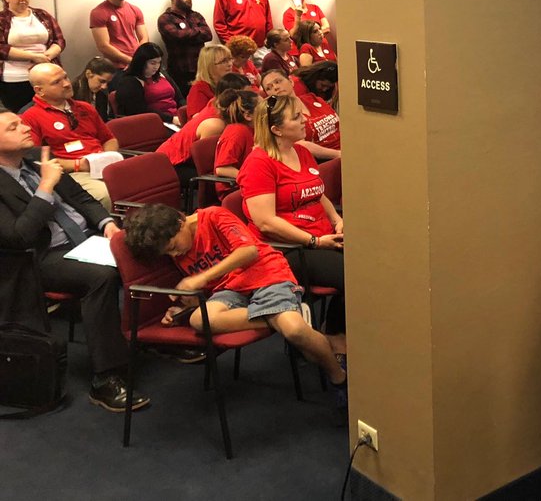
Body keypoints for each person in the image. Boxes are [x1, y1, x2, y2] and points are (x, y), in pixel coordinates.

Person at [122, 203, 346, 406]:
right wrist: (184, 307)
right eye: (168, 253)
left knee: (295, 331)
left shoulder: (213, 216)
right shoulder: (177, 246)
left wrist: (202, 277)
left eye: (173, 246)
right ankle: (287, 315)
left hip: (265, 273)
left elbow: (249, 251)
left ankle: (340, 379)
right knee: (199, 319)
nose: (175, 253)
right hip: (228, 290)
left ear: (180, 223)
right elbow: (206, 288)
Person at [0, 119, 148, 413]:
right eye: (12, 128)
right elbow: (19, 236)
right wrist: (46, 186)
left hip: (86, 238)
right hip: (39, 257)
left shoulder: (38, 157)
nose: (25, 128)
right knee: (101, 277)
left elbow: (81, 197)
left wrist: (106, 223)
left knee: (149, 243)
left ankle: (158, 330)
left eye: (21, 123)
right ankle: (105, 377)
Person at [238, 93, 345, 355]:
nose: (304, 120)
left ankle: (341, 330)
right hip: (285, 249)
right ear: (276, 129)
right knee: (357, 273)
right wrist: (315, 241)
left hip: (321, 237)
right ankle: (334, 335)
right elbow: (266, 223)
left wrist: (337, 220)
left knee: (378, 257)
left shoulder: (302, 151)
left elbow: (317, 193)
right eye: (296, 117)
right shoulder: (259, 163)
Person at [22, 63, 119, 208]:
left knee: (145, 180)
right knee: (104, 193)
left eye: (65, 77)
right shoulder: (30, 117)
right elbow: (36, 161)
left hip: (102, 166)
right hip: (71, 174)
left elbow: (109, 139)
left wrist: (106, 158)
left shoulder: (84, 107)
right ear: (39, 90)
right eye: (57, 82)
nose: (67, 84)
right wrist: (79, 165)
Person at [0, 0, 66, 112]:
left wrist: (47, 56)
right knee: (23, 115)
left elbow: (59, 40)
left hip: (46, 75)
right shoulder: (2, 19)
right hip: (16, 79)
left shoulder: (42, 15)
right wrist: (33, 57)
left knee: (51, 113)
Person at [261, 68, 341, 161]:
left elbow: (339, 123)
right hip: (327, 159)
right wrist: (339, 154)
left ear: (291, 81)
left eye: (278, 81)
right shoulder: (279, 117)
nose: (275, 87)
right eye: (269, 88)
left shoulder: (312, 98)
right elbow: (300, 144)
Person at [156, 0, 212, 89]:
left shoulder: (196, 15)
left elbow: (208, 35)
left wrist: (188, 33)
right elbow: (177, 36)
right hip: (180, 71)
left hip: (200, 69)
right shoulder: (166, 18)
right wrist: (198, 31)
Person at [110, 42, 185, 123]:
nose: (156, 66)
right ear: (141, 62)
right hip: (155, 121)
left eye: (159, 62)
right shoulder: (129, 82)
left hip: (176, 117)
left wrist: (186, 112)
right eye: (153, 63)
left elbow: (179, 98)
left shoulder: (162, 74)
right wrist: (171, 119)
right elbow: (140, 111)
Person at [89, 0, 147, 66]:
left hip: (136, 62)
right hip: (115, 66)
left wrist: (138, 57)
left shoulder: (135, 10)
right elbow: (103, 46)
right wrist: (130, 61)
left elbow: (144, 38)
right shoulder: (99, 12)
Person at [187, 44, 234, 122]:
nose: (230, 64)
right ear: (209, 66)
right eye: (224, 61)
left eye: (230, 59)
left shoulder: (228, 83)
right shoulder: (199, 88)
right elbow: (197, 119)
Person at [71, 57, 119, 121]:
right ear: (88, 74)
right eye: (102, 81)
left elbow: (103, 119)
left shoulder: (102, 93)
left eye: (107, 83)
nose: (104, 87)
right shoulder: (71, 93)